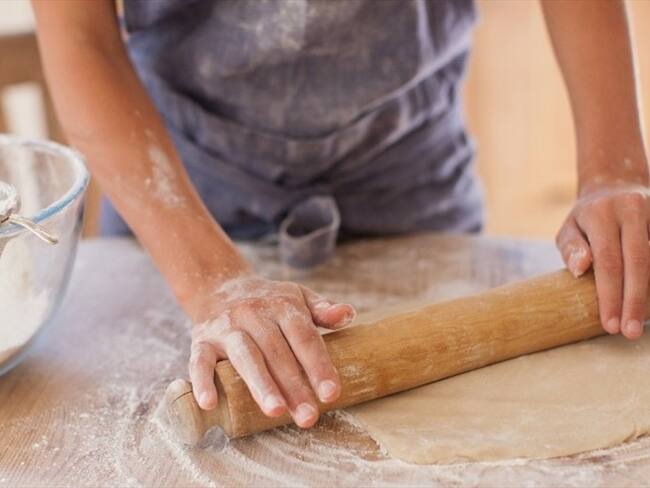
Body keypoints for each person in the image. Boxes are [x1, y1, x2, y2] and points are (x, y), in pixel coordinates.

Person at [32, 0, 649, 429]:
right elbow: (79, 32)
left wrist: (613, 169)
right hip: (177, 194)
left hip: (409, 173)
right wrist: (213, 283)